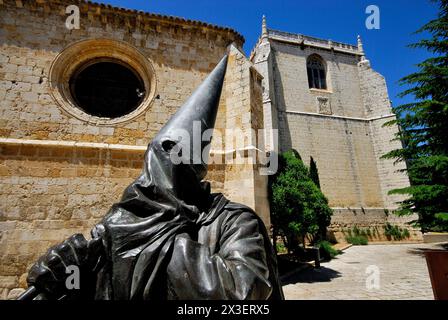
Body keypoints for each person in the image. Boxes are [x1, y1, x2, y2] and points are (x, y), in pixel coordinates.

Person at [24, 55, 284, 300]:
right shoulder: (124, 223)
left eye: (171, 161)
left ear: (190, 172)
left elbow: (245, 290)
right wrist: (68, 276)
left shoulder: (234, 221)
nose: (152, 179)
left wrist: (144, 242)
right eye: (154, 161)